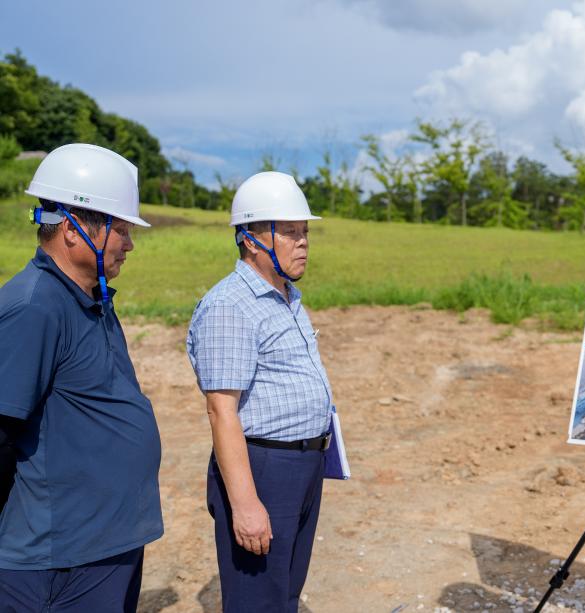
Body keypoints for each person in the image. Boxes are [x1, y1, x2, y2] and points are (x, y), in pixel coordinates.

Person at [0, 143, 163, 611]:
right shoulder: (35, 307)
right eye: (122, 229)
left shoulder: (91, 295)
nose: (130, 244)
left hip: (105, 544)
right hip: (59, 561)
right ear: (73, 230)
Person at [187, 171, 334, 613]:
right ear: (251, 239)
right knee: (257, 600)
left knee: (284, 593)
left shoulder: (287, 296)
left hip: (303, 464)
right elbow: (221, 412)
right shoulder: (230, 306)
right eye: (290, 232)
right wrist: (246, 504)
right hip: (264, 468)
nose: (303, 242)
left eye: (305, 232)